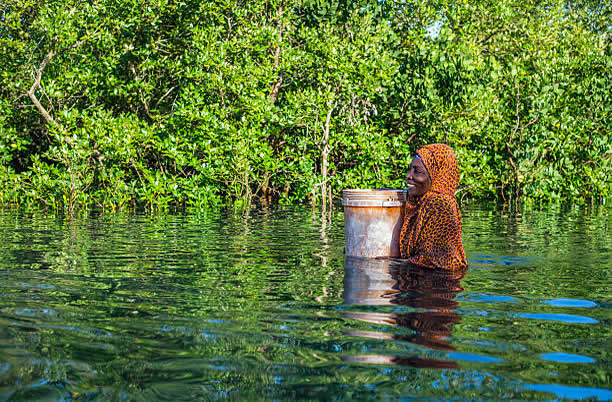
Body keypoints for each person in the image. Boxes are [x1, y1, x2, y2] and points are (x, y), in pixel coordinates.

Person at [399, 143, 467, 271]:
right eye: (410, 169)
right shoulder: (420, 202)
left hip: (438, 284)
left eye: (417, 171)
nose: (408, 176)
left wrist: (389, 265)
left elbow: (432, 261)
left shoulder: (439, 203)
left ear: (435, 176)